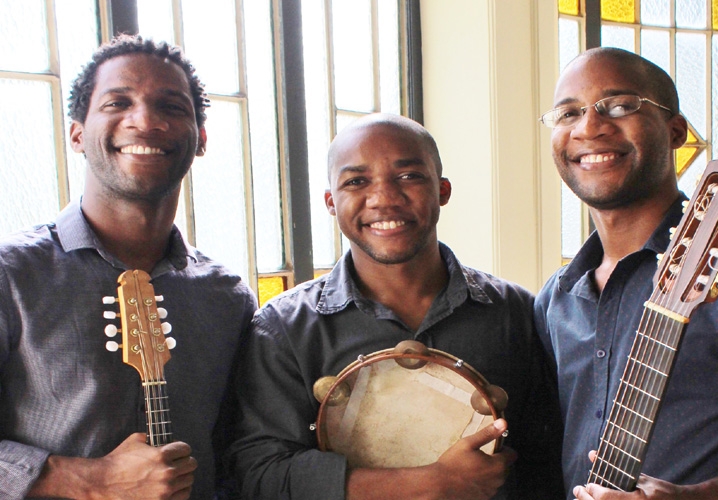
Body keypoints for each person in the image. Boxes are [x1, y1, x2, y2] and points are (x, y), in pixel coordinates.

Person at [229, 113, 564, 500]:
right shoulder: (284, 327)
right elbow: (260, 473)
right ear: (331, 203)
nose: (385, 198)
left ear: (443, 190)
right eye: (356, 181)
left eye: (409, 177)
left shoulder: (516, 312)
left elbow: (548, 454)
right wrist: (433, 483)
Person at [534, 47, 718, 500]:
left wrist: (698, 499)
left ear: (676, 132)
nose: (590, 126)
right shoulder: (556, 300)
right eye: (567, 113)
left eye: (620, 106)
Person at [0, 35, 257, 499]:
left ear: (199, 139)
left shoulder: (226, 296)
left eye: (171, 106)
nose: (144, 121)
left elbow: (237, 454)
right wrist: (88, 481)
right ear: (77, 134)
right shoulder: (11, 276)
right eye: (118, 102)